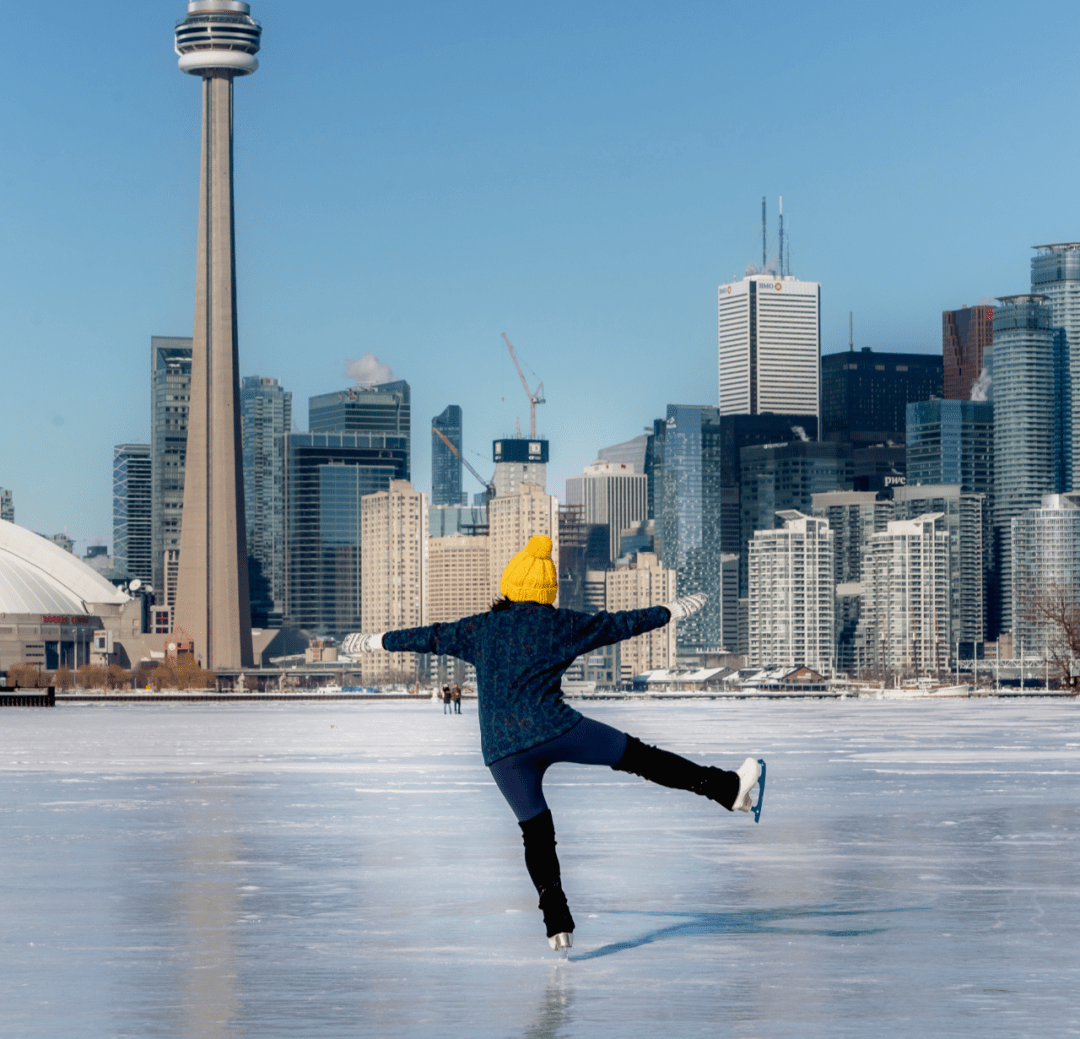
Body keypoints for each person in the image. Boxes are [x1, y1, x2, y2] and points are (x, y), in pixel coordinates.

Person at [342, 535, 764, 954]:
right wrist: (669, 610)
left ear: (509, 586)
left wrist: (375, 640)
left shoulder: (479, 628)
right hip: (556, 730)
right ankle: (728, 790)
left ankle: (557, 924)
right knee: (641, 758)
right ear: (547, 592)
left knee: (536, 835)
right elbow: (621, 624)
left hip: (503, 753)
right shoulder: (561, 624)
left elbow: (427, 637)